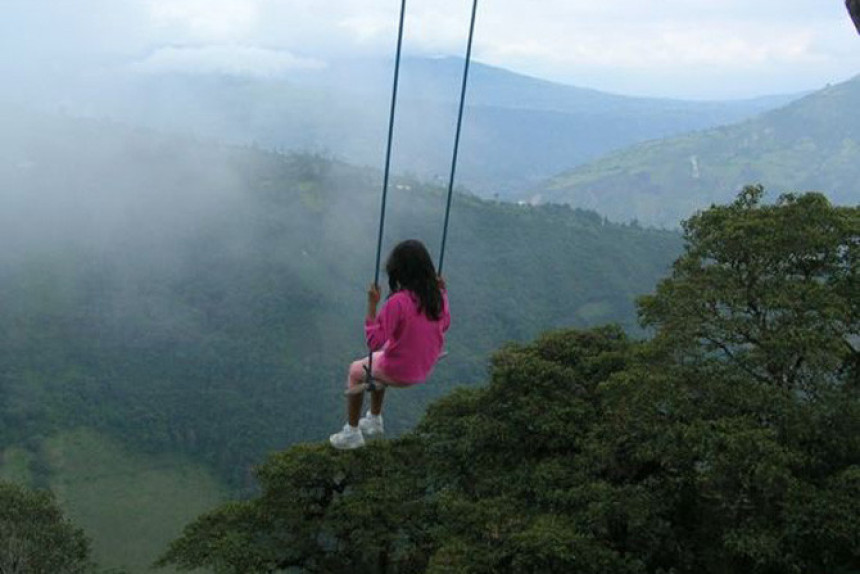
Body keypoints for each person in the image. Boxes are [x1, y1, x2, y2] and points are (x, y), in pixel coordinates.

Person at [330, 239, 450, 450]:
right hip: (425, 365)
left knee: (356, 370)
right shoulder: (437, 295)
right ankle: (374, 420)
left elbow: (374, 342)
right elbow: (445, 324)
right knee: (381, 358)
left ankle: (352, 432)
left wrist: (372, 306)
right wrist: (444, 292)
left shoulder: (398, 302)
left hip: (401, 372)